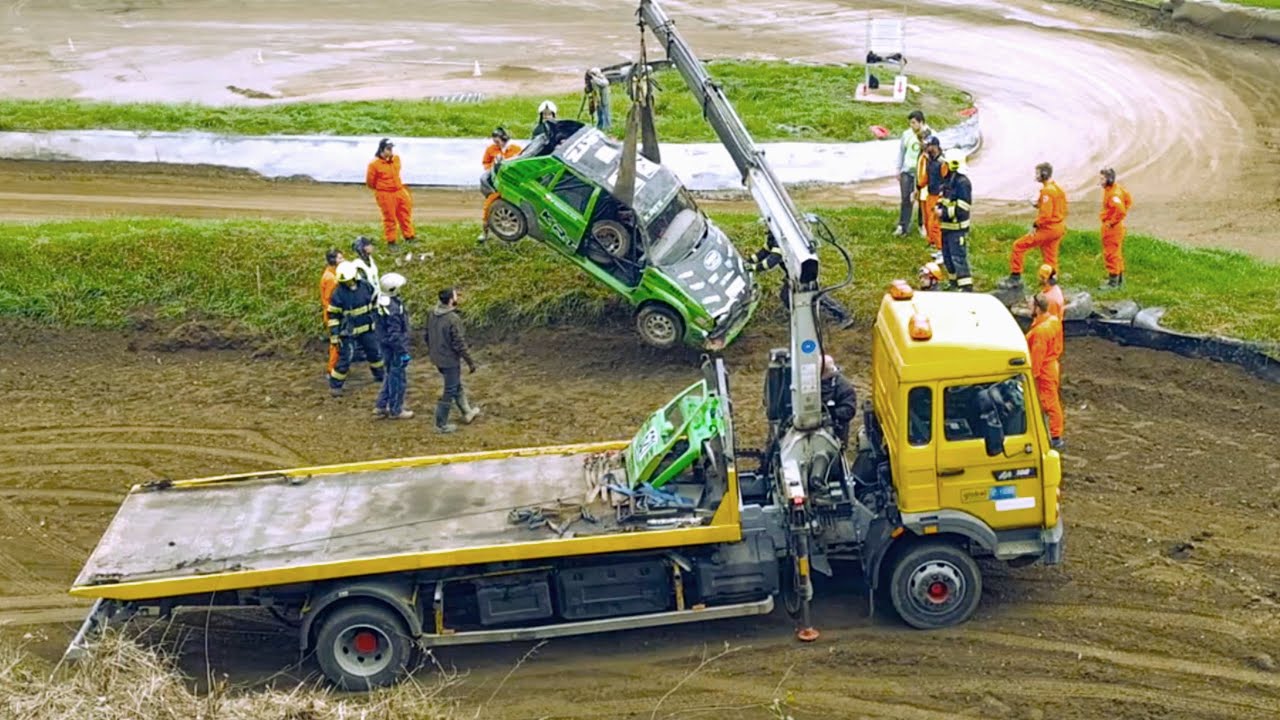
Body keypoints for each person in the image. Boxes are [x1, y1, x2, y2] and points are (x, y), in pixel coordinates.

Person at [749, 231, 855, 329]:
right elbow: (763, 253)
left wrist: (754, 268)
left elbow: (771, 262)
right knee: (786, 296)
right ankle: (803, 319)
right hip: (794, 273)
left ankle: (844, 316)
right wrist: (748, 261)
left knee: (815, 295)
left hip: (803, 271)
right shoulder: (774, 238)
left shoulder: (780, 241)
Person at [426, 287, 481, 434]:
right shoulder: (452, 319)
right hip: (449, 360)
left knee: (455, 384)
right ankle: (440, 424)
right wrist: (470, 361)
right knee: (449, 390)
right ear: (451, 300)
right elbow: (459, 344)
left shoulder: (432, 313)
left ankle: (467, 412)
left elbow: (427, 335)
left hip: (437, 357)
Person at [1004, 162, 1067, 289]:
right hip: (1058, 227)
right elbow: (1056, 207)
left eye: (1038, 173)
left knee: (1018, 246)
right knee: (1050, 256)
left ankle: (1015, 276)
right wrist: (1037, 204)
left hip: (1048, 229)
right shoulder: (1057, 188)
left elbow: (1046, 215)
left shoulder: (1047, 191)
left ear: (1043, 174)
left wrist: (1035, 225)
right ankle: (1052, 282)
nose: (1036, 176)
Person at [326, 261, 385, 397]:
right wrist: (335, 336)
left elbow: (374, 303)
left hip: (367, 328)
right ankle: (335, 385)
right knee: (346, 358)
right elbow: (333, 317)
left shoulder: (365, 286)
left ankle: (380, 375)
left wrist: (378, 321)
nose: (347, 283)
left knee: (374, 352)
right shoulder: (338, 294)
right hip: (348, 332)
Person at [1026, 293, 1066, 450]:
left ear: (1037, 308)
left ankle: (1056, 437)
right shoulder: (1053, 320)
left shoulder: (1041, 332)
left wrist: (1031, 375)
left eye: (1030, 304)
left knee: (1049, 403)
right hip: (1051, 365)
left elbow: (1037, 357)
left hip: (1044, 370)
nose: (1028, 307)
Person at [374, 272, 413, 420]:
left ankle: (381, 405)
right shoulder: (393, 309)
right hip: (394, 347)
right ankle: (396, 409)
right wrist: (403, 352)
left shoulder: (380, 301)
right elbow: (395, 334)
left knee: (389, 375)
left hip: (383, 343)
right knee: (398, 378)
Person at [365, 138, 416, 248]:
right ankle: (391, 241)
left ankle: (409, 237)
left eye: (391, 148)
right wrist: (382, 188)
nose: (391, 151)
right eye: (388, 149)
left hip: (399, 190)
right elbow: (370, 183)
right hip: (385, 194)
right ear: (382, 149)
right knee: (390, 218)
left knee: (405, 214)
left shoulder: (396, 159)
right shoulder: (374, 164)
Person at [936, 149, 974, 291]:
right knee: (948, 258)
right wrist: (938, 206)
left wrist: (943, 213)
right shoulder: (949, 180)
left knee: (958, 258)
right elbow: (943, 198)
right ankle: (953, 284)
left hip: (957, 229)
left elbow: (962, 208)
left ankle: (965, 288)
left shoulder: (963, 183)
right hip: (946, 227)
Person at [479, 127, 523, 242]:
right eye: (495, 142)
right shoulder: (491, 149)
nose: (496, 144)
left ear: (504, 139)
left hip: (512, 183)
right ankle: (485, 232)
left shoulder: (515, 149)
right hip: (496, 184)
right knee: (488, 207)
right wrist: (491, 168)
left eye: (498, 141)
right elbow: (485, 162)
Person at [894, 111, 929, 238]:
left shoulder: (929, 134)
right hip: (907, 171)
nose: (911, 125)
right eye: (910, 123)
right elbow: (901, 152)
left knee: (921, 199)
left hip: (922, 172)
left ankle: (922, 225)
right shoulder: (906, 134)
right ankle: (903, 226)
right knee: (905, 199)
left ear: (921, 122)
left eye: (914, 122)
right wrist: (898, 169)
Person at [1098, 167, 1133, 289]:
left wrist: (1111, 222)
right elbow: (1128, 200)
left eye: (1102, 179)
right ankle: (1120, 280)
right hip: (1117, 226)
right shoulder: (1117, 189)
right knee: (1117, 253)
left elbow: (1121, 211)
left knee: (1110, 254)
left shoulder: (1113, 194)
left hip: (1112, 228)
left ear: (1109, 179)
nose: (1100, 181)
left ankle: (1113, 283)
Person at [916, 136, 946, 251]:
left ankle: (939, 247)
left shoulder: (942, 162)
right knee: (928, 220)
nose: (927, 147)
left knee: (935, 224)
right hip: (930, 194)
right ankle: (931, 242)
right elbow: (926, 178)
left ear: (935, 147)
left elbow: (946, 180)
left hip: (939, 195)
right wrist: (919, 187)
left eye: (929, 145)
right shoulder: (930, 160)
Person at [821, 355, 858, 447]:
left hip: (836, 432)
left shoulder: (843, 387)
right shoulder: (810, 383)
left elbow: (849, 410)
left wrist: (832, 413)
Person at [319, 248, 344, 374]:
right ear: (333, 260)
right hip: (332, 314)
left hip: (333, 313)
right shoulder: (330, 278)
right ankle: (332, 368)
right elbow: (330, 299)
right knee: (335, 343)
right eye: (340, 258)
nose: (343, 260)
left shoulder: (332, 273)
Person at [585, 67, 612, 131]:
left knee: (606, 112)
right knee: (599, 113)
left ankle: (607, 126)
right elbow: (590, 89)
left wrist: (593, 77)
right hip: (597, 99)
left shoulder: (602, 79)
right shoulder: (594, 81)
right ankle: (600, 125)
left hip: (604, 98)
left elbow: (603, 83)